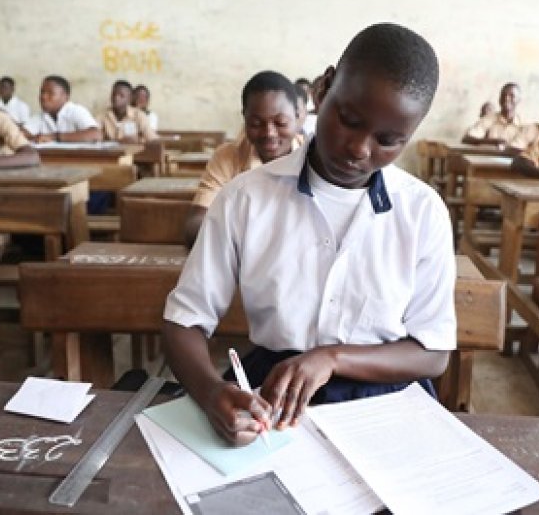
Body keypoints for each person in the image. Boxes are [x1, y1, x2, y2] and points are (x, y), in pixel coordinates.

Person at [163, 23, 456, 446]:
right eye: (350, 121)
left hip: (388, 400)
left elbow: (433, 354)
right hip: (272, 398)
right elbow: (183, 322)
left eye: (388, 140)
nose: (360, 149)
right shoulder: (245, 198)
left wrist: (332, 358)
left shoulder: (421, 211)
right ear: (323, 88)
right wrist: (212, 394)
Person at [183, 71, 302, 247]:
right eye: (256, 124)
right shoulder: (228, 158)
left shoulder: (315, 158)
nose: (269, 133)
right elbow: (194, 225)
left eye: (280, 123)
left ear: (298, 117)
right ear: (244, 118)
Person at [22, 75, 101, 142]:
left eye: (50, 93)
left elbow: (95, 134)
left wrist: (55, 137)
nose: (43, 97)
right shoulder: (41, 116)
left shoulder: (76, 111)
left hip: (79, 159)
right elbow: (22, 134)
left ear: (65, 97)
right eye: (42, 92)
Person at [462, 83, 524, 150]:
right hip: (488, 159)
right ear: (499, 99)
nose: (506, 98)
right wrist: (493, 142)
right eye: (503, 95)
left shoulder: (524, 124)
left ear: (519, 100)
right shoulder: (488, 119)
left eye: (512, 96)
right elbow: (467, 139)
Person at [97, 80, 157, 144]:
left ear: (130, 99)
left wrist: (139, 141)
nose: (116, 98)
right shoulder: (103, 116)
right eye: (113, 94)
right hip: (110, 153)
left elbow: (152, 138)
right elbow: (96, 137)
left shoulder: (139, 115)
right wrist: (119, 142)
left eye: (121, 95)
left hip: (132, 153)